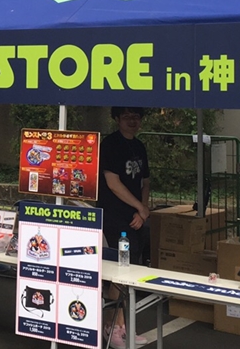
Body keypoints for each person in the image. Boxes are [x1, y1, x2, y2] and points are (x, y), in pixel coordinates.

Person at [98, 106, 150, 349]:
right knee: (118, 273)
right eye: (127, 116)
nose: (132, 121)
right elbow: (113, 183)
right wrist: (140, 207)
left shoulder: (139, 146)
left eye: (136, 117)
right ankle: (113, 327)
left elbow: (145, 181)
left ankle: (123, 326)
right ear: (117, 119)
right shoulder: (110, 145)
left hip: (135, 219)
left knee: (129, 274)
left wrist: (143, 210)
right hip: (114, 218)